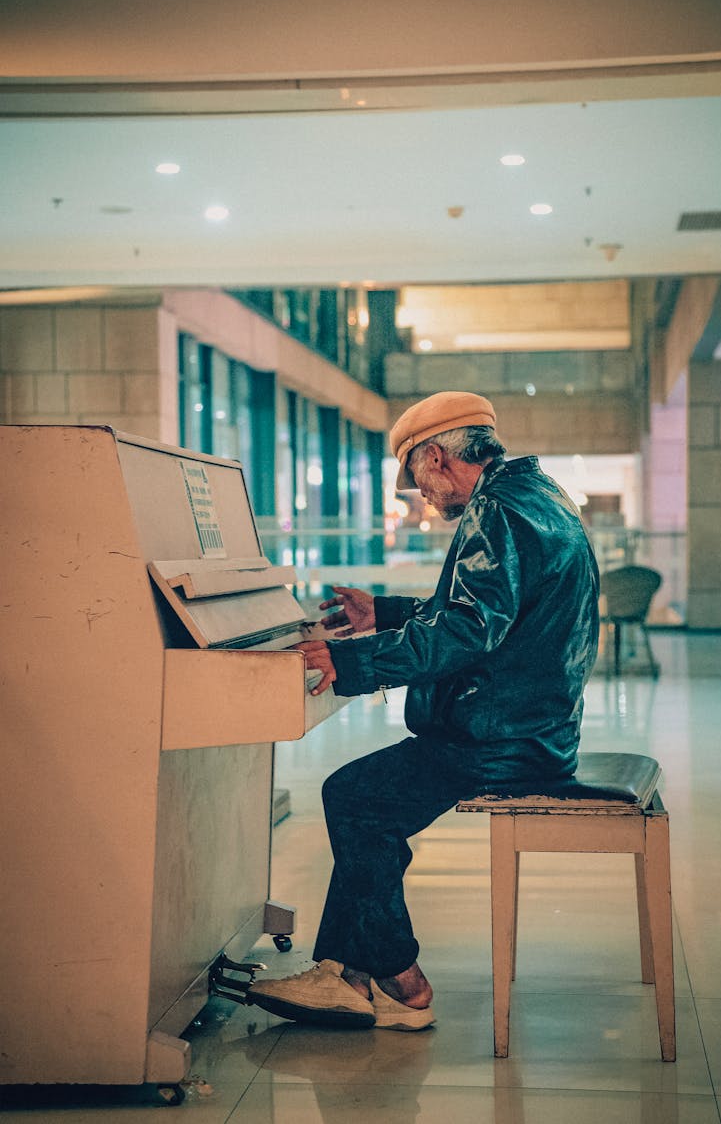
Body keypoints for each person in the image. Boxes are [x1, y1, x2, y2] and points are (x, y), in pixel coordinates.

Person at [249, 390, 600, 1032]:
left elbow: (469, 631)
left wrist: (350, 663)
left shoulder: (497, 511)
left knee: (356, 799)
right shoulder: (536, 495)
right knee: (365, 798)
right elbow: (494, 615)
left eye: (416, 480)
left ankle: (399, 980)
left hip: (501, 741)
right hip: (533, 726)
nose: (421, 498)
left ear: (436, 457)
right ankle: (343, 975)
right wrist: (382, 614)